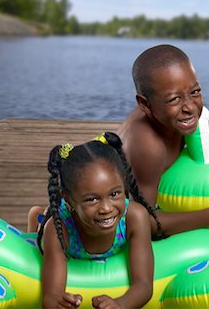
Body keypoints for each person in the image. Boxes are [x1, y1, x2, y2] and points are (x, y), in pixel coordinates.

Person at [117, 44, 209, 238]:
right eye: (174, 99)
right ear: (145, 104)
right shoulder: (148, 146)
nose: (190, 107)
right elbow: (138, 222)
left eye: (195, 92)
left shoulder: (171, 117)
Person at [37, 132, 155, 309]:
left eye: (114, 194)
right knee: (42, 224)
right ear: (68, 199)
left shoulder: (134, 217)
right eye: (92, 199)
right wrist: (58, 303)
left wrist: (120, 304)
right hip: (63, 220)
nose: (106, 208)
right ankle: (37, 216)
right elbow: (51, 296)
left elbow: (144, 286)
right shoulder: (58, 229)